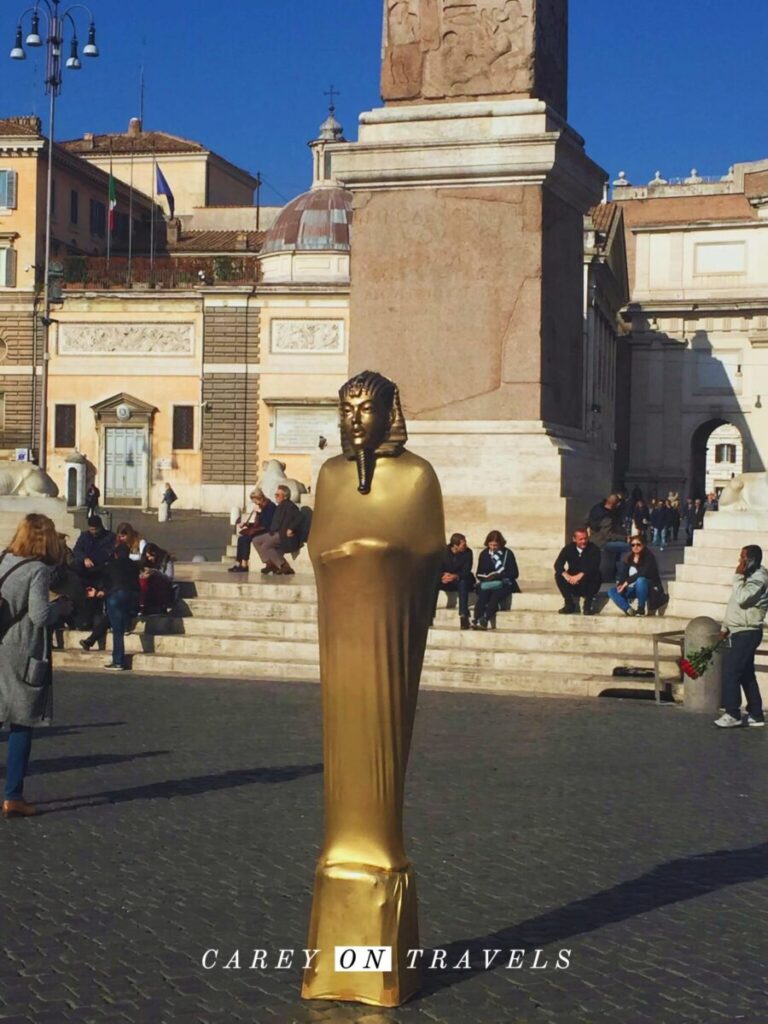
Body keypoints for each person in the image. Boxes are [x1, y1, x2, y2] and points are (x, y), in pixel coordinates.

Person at [0, 514, 73, 818]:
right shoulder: (37, 570)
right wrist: (62, 607)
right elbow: (40, 616)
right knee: (22, 722)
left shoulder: (3, 559)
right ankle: (13, 796)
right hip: (21, 652)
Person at [714, 545, 768, 728]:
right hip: (738, 630)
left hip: (748, 631)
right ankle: (756, 714)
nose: (739, 561)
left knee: (731, 671)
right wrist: (725, 627)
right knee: (746, 674)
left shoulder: (759, 578)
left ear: (751, 560)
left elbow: (743, 598)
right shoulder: (747, 577)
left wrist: (737, 576)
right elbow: (734, 606)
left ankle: (732, 712)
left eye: (742, 557)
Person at [82, 544, 140, 671]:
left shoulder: (110, 565)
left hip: (116, 594)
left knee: (117, 630)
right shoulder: (134, 565)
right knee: (123, 613)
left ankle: (118, 661)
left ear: (116, 554)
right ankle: (127, 624)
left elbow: (104, 580)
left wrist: (100, 591)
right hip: (133, 595)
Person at [472, 530, 520, 630]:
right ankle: (476, 618)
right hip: (488, 583)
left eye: (495, 545)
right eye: (491, 545)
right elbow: (479, 572)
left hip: (504, 583)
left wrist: (500, 575)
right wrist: (486, 577)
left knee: (495, 596)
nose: (493, 547)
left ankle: (485, 619)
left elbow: (515, 573)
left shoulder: (508, 553)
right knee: (483, 595)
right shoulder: (484, 554)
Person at [252, 485, 303, 576]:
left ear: (285, 496)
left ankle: (284, 566)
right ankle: (270, 563)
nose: (275, 497)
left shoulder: (290, 506)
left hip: (283, 535)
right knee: (256, 540)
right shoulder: (279, 506)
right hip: (274, 532)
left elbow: (299, 517)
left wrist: (291, 529)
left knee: (265, 546)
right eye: (275, 495)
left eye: (278, 495)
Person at [607, 535, 662, 616]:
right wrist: (621, 585)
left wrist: (626, 582)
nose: (635, 547)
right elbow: (623, 575)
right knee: (612, 591)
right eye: (633, 545)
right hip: (632, 589)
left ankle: (641, 608)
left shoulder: (649, 557)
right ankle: (628, 609)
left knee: (640, 580)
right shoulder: (628, 558)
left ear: (643, 545)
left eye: (638, 544)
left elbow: (643, 573)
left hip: (647, 588)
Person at [554, 528, 602, 615]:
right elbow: (558, 564)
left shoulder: (594, 549)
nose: (584, 541)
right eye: (581, 539)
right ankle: (569, 604)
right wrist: (567, 576)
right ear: (574, 539)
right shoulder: (568, 549)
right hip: (573, 583)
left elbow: (594, 565)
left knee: (596, 574)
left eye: (585, 538)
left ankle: (587, 606)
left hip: (587, 584)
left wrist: (580, 575)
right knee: (558, 574)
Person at [229, 489, 276, 573]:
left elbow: (267, 523)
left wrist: (260, 512)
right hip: (259, 528)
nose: (256, 504)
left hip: (266, 530)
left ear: (261, 499)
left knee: (245, 539)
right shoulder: (262, 506)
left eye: (256, 501)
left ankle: (244, 564)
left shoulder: (270, 506)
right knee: (241, 539)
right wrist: (247, 524)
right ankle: (238, 563)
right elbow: (257, 523)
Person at [587, 494, 630, 575]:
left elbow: (586, 521)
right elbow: (607, 535)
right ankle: (621, 575)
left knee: (619, 548)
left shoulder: (596, 509)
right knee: (628, 547)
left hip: (594, 539)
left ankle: (614, 571)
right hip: (602, 542)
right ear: (616, 504)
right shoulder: (607, 517)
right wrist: (624, 538)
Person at [438, 533, 474, 630]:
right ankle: (429, 615)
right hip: (445, 580)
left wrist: (455, 576)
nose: (465, 546)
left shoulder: (468, 552)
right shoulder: (443, 551)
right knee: (433, 583)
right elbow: (436, 568)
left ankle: (463, 616)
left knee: (463, 583)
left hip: (459, 579)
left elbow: (467, 571)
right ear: (455, 546)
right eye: (463, 544)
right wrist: (443, 576)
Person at [138, 542, 175, 615]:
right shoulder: (146, 561)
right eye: (147, 557)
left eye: (151, 556)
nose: (149, 559)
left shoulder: (166, 559)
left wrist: (155, 572)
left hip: (163, 584)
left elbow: (169, 577)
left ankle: (160, 607)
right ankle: (143, 606)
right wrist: (142, 575)